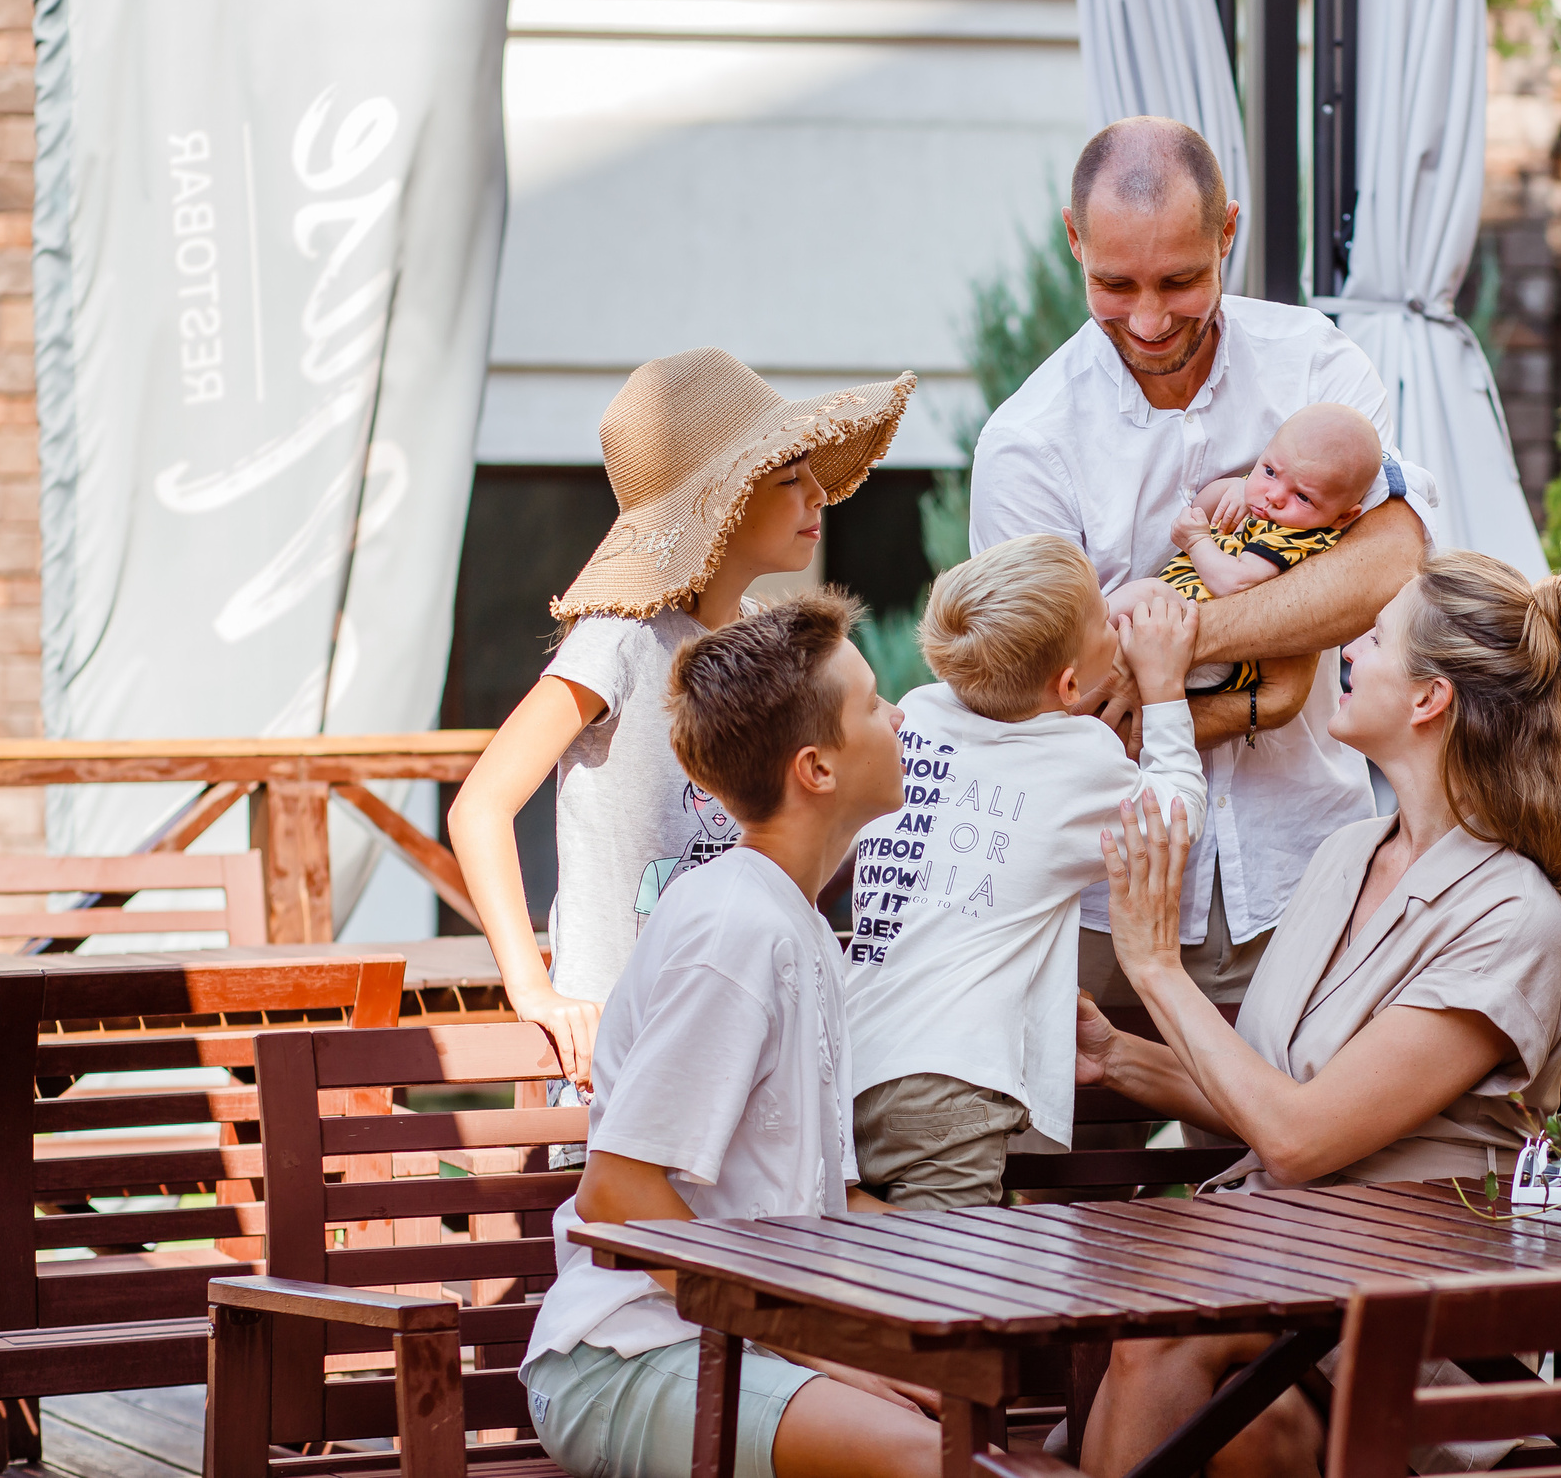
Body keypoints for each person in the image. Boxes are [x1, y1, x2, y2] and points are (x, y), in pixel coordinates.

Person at [1074, 553, 1561, 1478]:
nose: (1347, 652)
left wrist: (1157, 969)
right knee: (1232, 1419)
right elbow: (1270, 1096)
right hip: (1285, 1270)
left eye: (1372, 637)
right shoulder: (1347, 853)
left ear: (1429, 700)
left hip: (1414, 1311)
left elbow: (1297, 1138)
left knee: (1156, 1340)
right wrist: (1117, 1056)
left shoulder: (1514, 919)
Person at [969, 116, 1437, 1009]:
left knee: (1298, 1148)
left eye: (1180, 280)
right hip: (1100, 897)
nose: (1148, 320)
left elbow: (1392, 563)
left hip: (1310, 874)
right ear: (1075, 241)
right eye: (1114, 283)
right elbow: (1060, 709)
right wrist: (1275, 676)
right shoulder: (1026, 445)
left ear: (1229, 230)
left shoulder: (1316, 365)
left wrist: (1172, 649)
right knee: (1068, 1151)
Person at [521, 591, 943, 1478]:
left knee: (996, 1405)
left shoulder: (792, 922)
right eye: (871, 703)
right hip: (628, 1358)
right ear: (816, 768)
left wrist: (976, 1266)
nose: (897, 714)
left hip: (727, 1340)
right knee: (934, 1455)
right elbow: (616, 1187)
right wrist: (820, 1348)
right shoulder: (737, 932)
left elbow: (825, 1205)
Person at [448, 350, 912, 1087]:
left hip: (736, 1032)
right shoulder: (622, 636)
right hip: (613, 1051)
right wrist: (534, 987)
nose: (818, 495)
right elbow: (480, 805)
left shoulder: (765, 641)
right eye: (790, 477)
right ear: (720, 502)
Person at [842, 534, 1205, 1209]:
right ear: (1069, 685)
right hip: (949, 1079)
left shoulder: (915, 713)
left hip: (851, 1053)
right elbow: (1175, 814)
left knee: (877, 1256)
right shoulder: (1079, 756)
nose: (1117, 621)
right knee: (942, 1284)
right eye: (1104, 617)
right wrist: (1163, 691)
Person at [1103, 402, 1382, 694]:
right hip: (1174, 629)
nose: (1273, 496)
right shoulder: (1261, 499)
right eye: (1270, 471)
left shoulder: (1295, 537)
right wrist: (1232, 489)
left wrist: (1197, 541)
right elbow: (1200, 509)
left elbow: (1234, 584)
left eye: (1302, 496)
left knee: (1148, 594)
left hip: (1215, 654)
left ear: (1343, 516)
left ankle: (1079, 636)